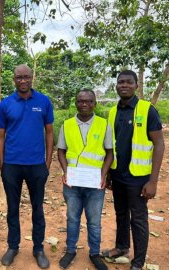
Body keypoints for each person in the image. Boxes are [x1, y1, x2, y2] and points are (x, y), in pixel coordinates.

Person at [102, 70, 165, 270]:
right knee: (120, 213)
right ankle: (121, 248)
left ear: (136, 85)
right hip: (119, 175)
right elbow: (112, 145)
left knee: (138, 219)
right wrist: (110, 173)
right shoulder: (113, 111)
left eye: (129, 82)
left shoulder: (147, 110)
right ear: (116, 86)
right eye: (121, 82)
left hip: (138, 177)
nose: (124, 85)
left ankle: (138, 261)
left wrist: (153, 181)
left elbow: (159, 144)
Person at [0, 64, 54, 269]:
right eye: (19, 77)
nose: (23, 80)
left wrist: (47, 163)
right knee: (12, 208)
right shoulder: (5, 104)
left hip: (37, 165)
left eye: (26, 77)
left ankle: (38, 248)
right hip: (12, 165)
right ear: (14, 80)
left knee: (37, 209)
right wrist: (3, 165)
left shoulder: (44, 101)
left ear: (32, 78)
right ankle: (13, 246)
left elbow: (49, 133)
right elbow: (0, 137)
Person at [57, 89, 113, 270]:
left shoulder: (104, 125)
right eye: (81, 101)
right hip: (72, 182)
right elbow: (61, 151)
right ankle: (71, 250)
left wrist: (104, 175)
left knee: (94, 220)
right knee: (72, 218)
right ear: (75, 103)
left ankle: (94, 253)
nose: (85, 105)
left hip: (95, 181)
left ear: (95, 103)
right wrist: (66, 173)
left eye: (89, 101)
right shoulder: (67, 125)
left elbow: (110, 153)